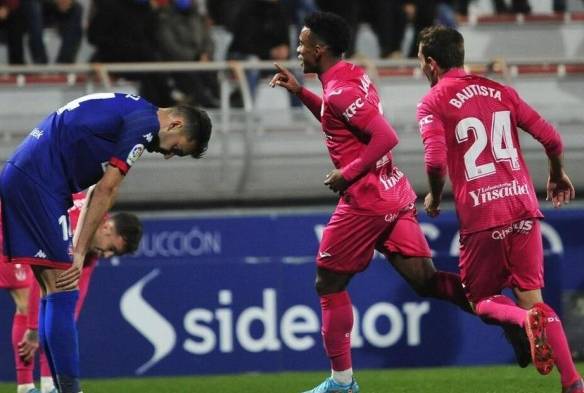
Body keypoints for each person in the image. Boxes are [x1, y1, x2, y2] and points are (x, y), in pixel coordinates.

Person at [270, 11, 475, 393]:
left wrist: (347, 173)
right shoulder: (350, 76)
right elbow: (339, 119)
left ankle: (342, 383)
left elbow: (385, 137)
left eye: (302, 44)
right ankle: (507, 314)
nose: (297, 50)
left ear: (320, 48)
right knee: (426, 282)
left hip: (366, 199)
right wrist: (301, 93)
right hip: (392, 191)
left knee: (328, 282)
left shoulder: (341, 89)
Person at [0, 92, 212, 393]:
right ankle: (68, 390)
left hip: (29, 177)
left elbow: (92, 193)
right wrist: (80, 250)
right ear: (175, 124)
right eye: (176, 149)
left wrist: (79, 245)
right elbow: (106, 189)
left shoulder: (134, 110)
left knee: (53, 290)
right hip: (39, 183)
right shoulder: (144, 125)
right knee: (63, 289)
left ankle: (54, 387)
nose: (167, 155)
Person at [416, 25, 583, 393]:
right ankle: (573, 383)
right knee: (536, 301)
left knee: (482, 300)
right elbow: (552, 138)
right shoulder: (499, 90)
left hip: (483, 214)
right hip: (523, 207)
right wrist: (555, 174)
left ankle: (524, 323)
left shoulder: (433, 101)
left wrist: (432, 196)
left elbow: (434, 162)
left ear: (431, 64)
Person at [2, 191, 143, 393]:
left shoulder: (92, 235)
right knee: (26, 302)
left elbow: (77, 288)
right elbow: (41, 280)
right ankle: (25, 386)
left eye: (114, 253)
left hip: (30, 227)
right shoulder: (75, 229)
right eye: (111, 248)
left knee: (54, 309)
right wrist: (33, 331)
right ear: (107, 227)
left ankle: (49, 384)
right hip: (9, 220)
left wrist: (65, 325)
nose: (108, 255)